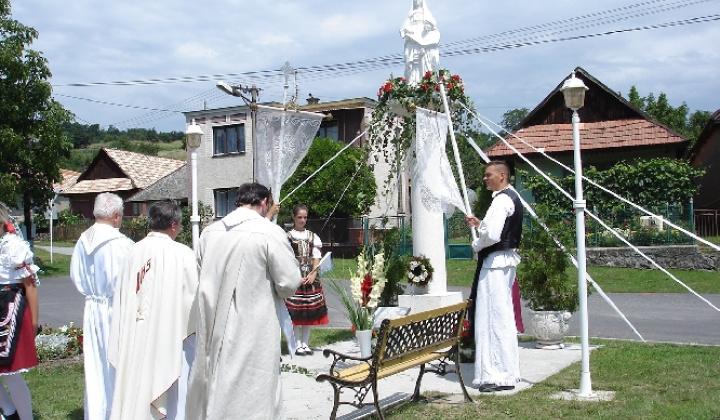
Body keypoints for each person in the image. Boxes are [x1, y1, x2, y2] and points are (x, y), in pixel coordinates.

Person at [186, 183, 302, 420]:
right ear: (263, 203)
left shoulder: (210, 232)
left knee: (214, 378)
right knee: (251, 390)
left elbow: (200, 272)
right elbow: (289, 283)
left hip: (212, 319)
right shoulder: (269, 232)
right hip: (252, 325)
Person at [108, 202, 199, 420]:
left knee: (134, 380)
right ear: (174, 224)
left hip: (134, 332)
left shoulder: (134, 251)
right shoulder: (182, 254)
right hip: (168, 336)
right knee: (170, 386)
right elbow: (194, 301)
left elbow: (122, 294)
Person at [70, 192, 133, 420]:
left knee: (96, 366)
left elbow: (76, 275)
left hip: (92, 308)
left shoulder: (82, 240)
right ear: (116, 215)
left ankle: (97, 413)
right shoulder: (120, 244)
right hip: (114, 308)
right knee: (117, 364)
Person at [465, 161, 523, 393]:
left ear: (502, 176)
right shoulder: (511, 198)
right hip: (503, 262)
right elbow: (496, 229)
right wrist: (481, 225)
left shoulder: (501, 200)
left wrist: (477, 243)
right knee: (501, 317)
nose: (485, 179)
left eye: (488, 175)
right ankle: (505, 370)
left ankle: (498, 374)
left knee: (492, 319)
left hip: (495, 265)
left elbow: (493, 235)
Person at [0, 204, 39, 420]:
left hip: (10, 307)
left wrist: (33, 322)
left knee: (11, 373)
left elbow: (31, 286)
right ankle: (9, 410)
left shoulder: (13, 247)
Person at [284, 203, 328, 356]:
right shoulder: (287, 237)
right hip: (296, 278)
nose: (302, 220)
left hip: (310, 278)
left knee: (309, 310)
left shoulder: (312, 236)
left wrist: (313, 274)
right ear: (294, 217)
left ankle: (305, 343)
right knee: (296, 312)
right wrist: (296, 277)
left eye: (305, 217)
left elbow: (316, 256)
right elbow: (286, 259)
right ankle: (296, 344)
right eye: (299, 217)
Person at [400, 0, 440, 83]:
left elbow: (433, 25)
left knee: (426, 60)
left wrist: (428, 28)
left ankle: (427, 81)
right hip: (413, 39)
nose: (416, 1)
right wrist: (408, 31)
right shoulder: (410, 14)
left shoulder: (426, 13)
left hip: (424, 37)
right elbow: (403, 29)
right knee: (412, 60)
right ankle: (413, 81)